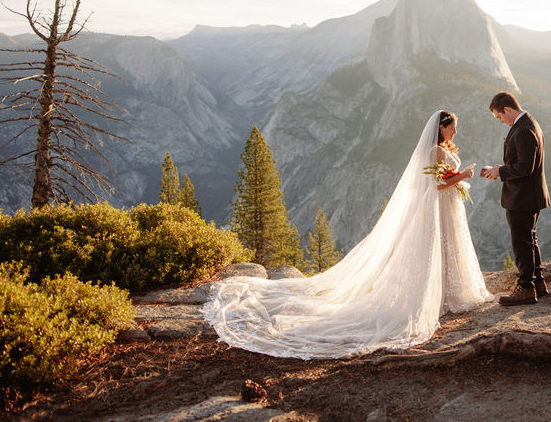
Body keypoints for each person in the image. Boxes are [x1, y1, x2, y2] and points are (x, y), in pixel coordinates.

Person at [202, 110, 494, 359]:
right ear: (441, 127)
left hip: (447, 209)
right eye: (453, 126)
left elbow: (443, 183)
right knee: (436, 250)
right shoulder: (435, 151)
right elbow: (437, 186)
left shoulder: (444, 150)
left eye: (456, 127)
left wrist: (458, 179)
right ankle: (438, 297)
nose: (456, 131)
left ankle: (447, 294)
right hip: (438, 207)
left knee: (446, 249)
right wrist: (463, 177)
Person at [481, 91, 550, 306]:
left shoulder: (522, 131)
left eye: (499, 116)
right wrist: (499, 169)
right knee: (530, 239)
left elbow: (525, 167)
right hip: (529, 194)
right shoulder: (530, 124)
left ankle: (526, 288)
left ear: (507, 110)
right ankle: (538, 282)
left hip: (523, 196)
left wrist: (500, 172)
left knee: (521, 241)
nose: (500, 121)